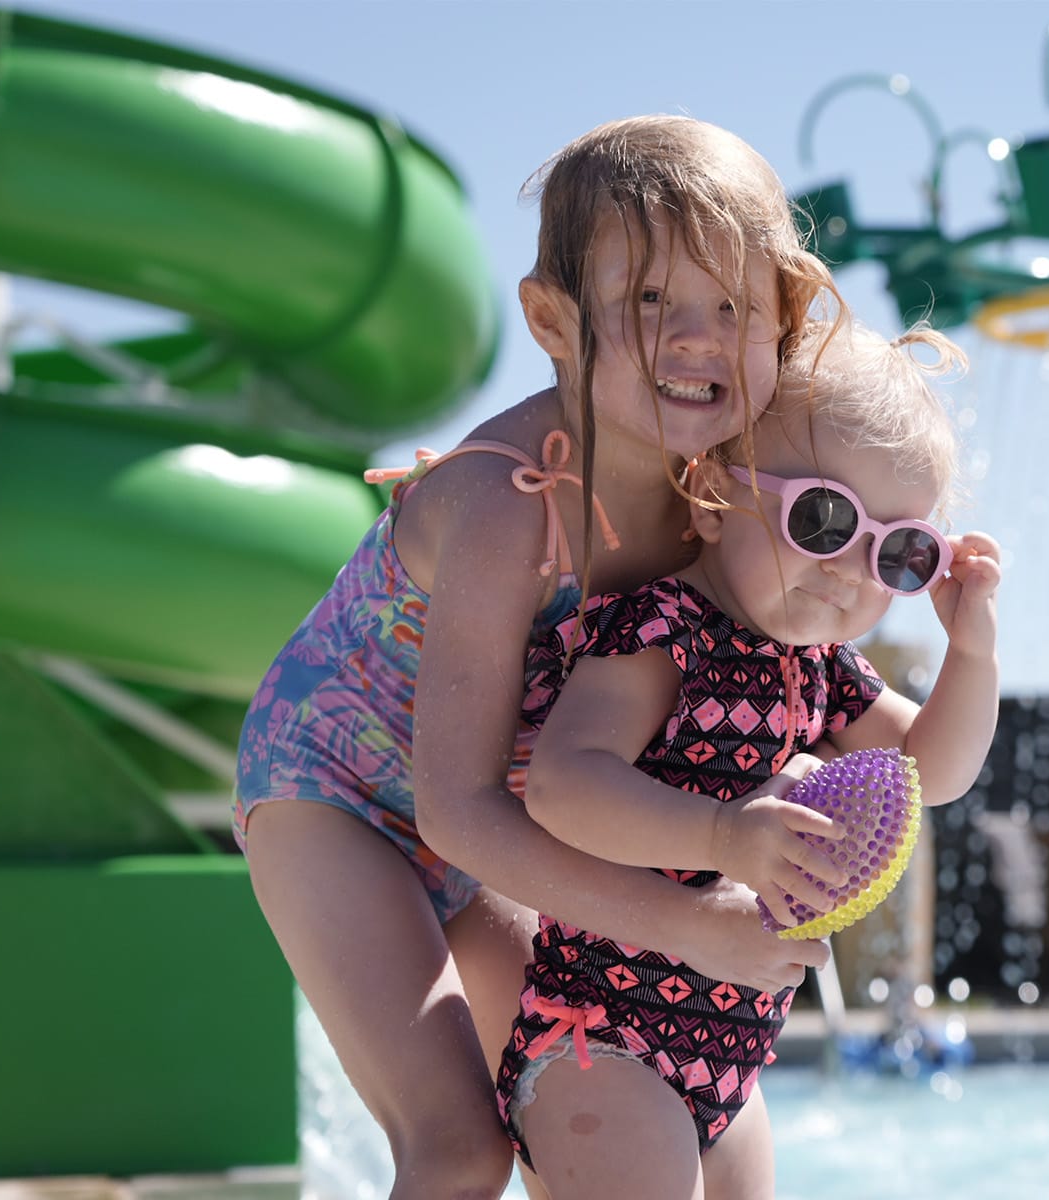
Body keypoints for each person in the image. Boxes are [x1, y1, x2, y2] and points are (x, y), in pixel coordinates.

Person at [232, 115, 851, 1199]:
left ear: (785, 319)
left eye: (732, 306)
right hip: (339, 798)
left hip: (500, 821)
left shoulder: (726, 500)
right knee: (461, 1146)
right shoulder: (504, 508)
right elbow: (455, 811)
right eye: (652, 302)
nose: (698, 337)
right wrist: (679, 923)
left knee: (588, 1089)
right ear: (554, 321)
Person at [492, 319, 1003, 1200]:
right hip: (600, 1042)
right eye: (825, 518)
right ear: (711, 491)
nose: (852, 569)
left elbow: (934, 771)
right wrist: (725, 836)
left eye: (901, 552)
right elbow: (563, 784)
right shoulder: (662, 631)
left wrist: (973, 655)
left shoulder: (822, 670)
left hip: (729, 1069)